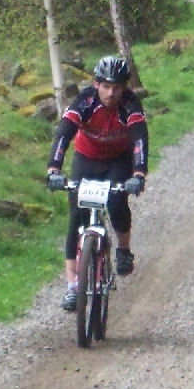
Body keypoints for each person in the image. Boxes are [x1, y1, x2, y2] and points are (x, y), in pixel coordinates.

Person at [46, 56, 148, 312]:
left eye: (117, 87)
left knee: (117, 201)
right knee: (76, 217)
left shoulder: (131, 105)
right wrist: (53, 169)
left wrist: (138, 174)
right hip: (87, 159)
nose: (111, 93)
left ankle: (124, 250)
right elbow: (63, 134)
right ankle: (72, 287)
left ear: (125, 87)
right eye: (105, 86)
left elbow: (139, 139)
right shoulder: (85, 101)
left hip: (118, 160)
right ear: (96, 84)